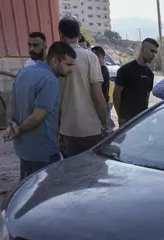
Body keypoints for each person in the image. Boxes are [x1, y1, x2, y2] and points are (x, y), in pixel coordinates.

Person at [4, 42, 76, 180]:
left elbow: (11, 104)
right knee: (47, 194)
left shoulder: (24, 72)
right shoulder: (50, 80)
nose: (71, 69)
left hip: (23, 149)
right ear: (54, 61)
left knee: (27, 190)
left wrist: (10, 125)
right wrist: (18, 129)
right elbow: (37, 117)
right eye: (68, 65)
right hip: (43, 150)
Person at [57, 17, 109, 157]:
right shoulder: (90, 57)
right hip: (91, 129)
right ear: (79, 35)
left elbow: (56, 100)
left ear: (60, 35)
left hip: (68, 130)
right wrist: (104, 123)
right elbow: (98, 97)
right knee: (93, 173)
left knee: (73, 173)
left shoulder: (55, 60)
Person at [112, 38, 159, 125]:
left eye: (155, 52)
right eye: (151, 51)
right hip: (127, 120)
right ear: (143, 49)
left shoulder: (150, 74)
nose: (153, 55)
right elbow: (116, 95)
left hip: (142, 119)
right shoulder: (125, 70)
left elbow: (146, 98)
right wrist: (121, 116)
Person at [91, 46, 115, 128]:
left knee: (104, 125)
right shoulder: (101, 70)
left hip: (104, 103)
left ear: (101, 57)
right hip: (105, 101)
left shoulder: (102, 70)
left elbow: (99, 93)